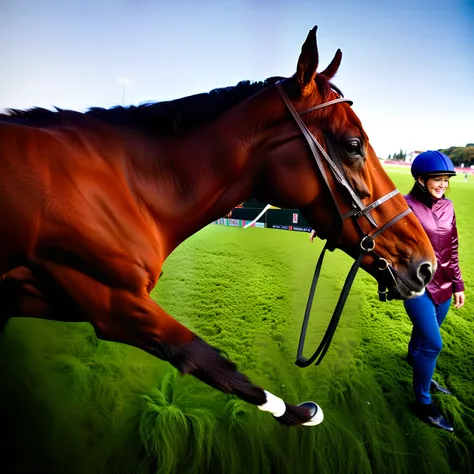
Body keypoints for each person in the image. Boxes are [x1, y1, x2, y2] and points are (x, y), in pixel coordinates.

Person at [404, 150, 465, 432]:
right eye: (437, 179)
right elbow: (368, 227)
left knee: (422, 343)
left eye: (446, 180)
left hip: (444, 286)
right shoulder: (403, 205)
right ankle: (423, 402)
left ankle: (416, 367)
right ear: (421, 179)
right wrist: (326, 229)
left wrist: (458, 285)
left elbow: (452, 249)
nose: (443, 184)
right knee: (433, 344)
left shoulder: (448, 206)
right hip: (416, 286)